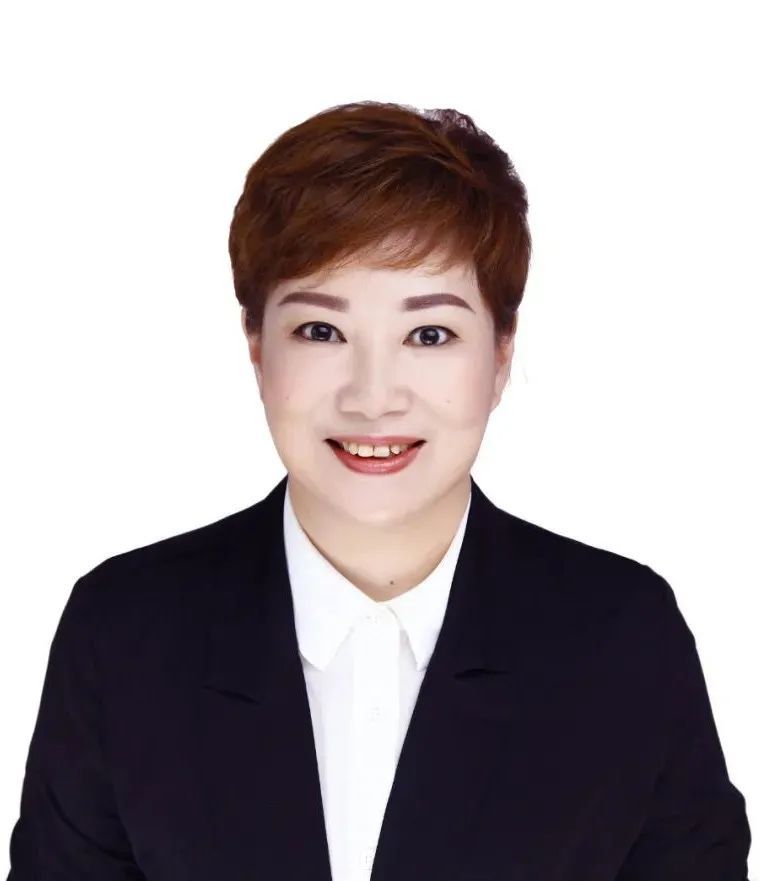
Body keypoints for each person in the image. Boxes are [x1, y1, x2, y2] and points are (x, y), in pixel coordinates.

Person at [6, 100, 751, 880]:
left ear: (500, 356)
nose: (371, 396)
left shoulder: (621, 636)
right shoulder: (125, 631)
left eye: (428, 334)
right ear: (256, 347)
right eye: (320, 331)